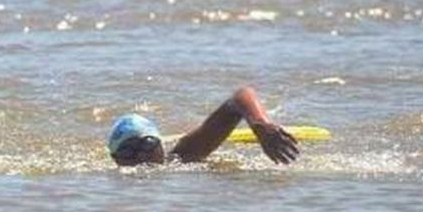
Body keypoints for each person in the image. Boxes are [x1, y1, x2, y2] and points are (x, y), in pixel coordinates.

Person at [106, 85, 300, 167]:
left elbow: (240, 97)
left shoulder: (183, 156)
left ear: (160, 144)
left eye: (147, 144)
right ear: (115, 159)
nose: (140, 156)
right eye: (128, 151)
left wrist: (260, 125)